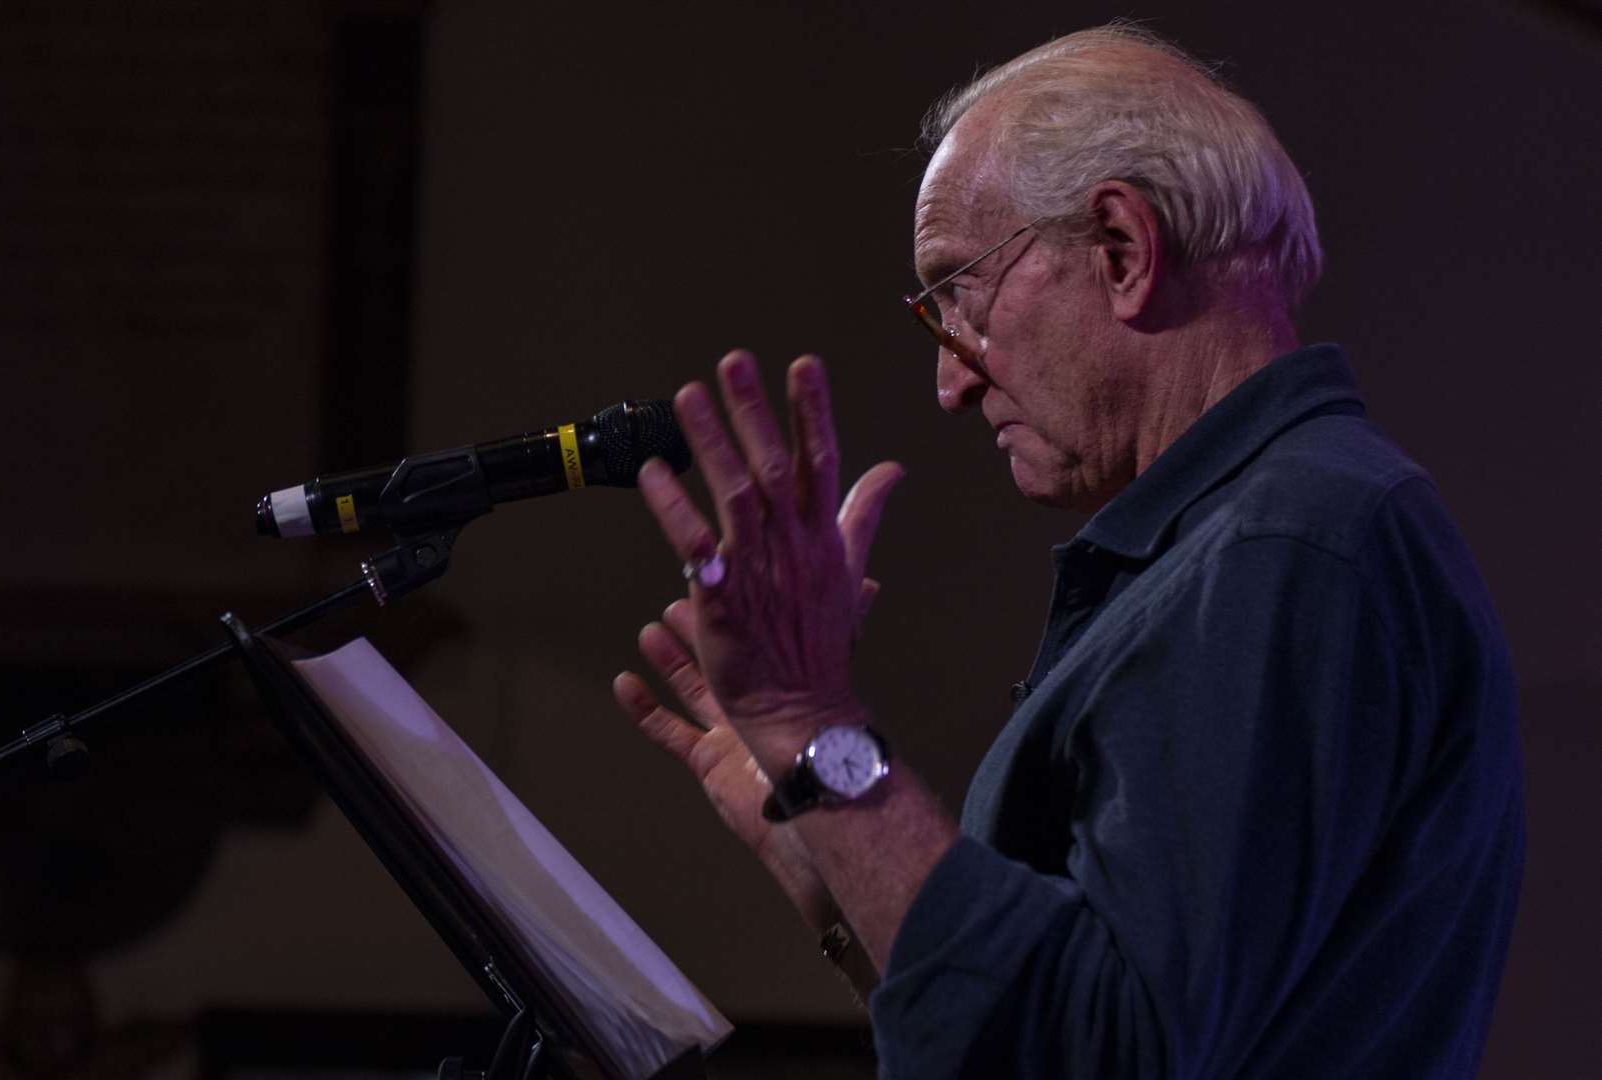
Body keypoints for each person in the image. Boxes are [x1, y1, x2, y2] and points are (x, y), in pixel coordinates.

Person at [610, 24, 1524, 1078]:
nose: (949, 382)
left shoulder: (1289, 545)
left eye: (957, 290)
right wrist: (817, 832)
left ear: (1123, 251)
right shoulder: (1262, 539)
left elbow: (1105, 1056)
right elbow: (1035, 1036)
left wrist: (814, 724)